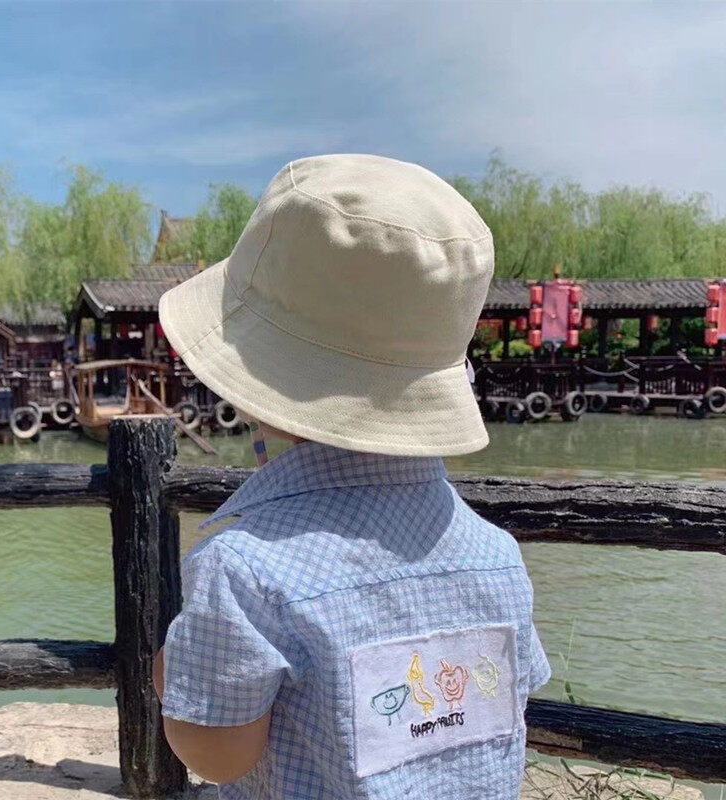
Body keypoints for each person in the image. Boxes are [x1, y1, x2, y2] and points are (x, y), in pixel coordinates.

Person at [152, 154, 550, 799]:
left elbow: (217, 756)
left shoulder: (244, 569)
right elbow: (508, 698)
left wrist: (176, 674)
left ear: (255, 387)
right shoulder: (497, 554)